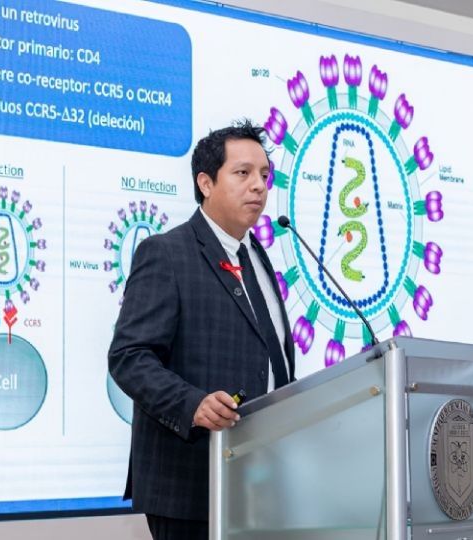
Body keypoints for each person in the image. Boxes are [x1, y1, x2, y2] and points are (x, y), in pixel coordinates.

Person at [108, 120, 295, 539]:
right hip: (190, 485)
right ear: (206, 182)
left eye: (265, 175)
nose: (259, 186)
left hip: (258, 485)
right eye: (243, 173)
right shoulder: (167, 253)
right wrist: (192, 404)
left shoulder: (259, 259)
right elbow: (128, 356)